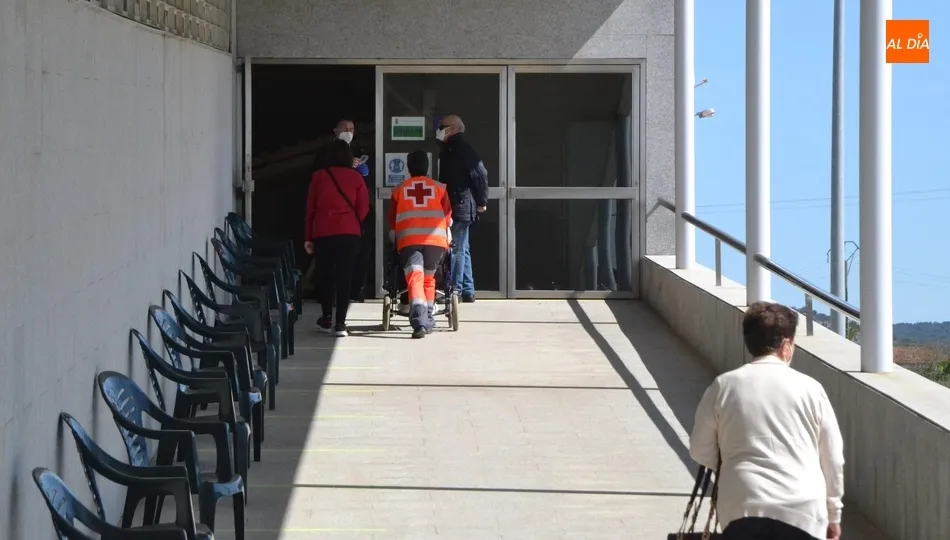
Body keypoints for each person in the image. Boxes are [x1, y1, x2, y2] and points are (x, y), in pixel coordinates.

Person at [689, 302, 845, 540]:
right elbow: (832, 458)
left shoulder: (723, 386)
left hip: (741, 504)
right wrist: (834, 514)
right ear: (786, 345)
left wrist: (731, 459)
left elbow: (699, 449)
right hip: (803, 508)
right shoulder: (811, 389)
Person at [304, 140, 369, 337]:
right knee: (344, 278)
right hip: (349, 233)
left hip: (323, 232)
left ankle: (326, 318)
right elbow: (363, 207)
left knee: (326, 277)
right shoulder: (356, 177)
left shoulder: (318, 177)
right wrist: (351, 220)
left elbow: (310, 209)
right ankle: (340, 323)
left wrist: (308, 237)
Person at [388, 151, 453, 339]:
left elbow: (392, 220)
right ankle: (428, 318)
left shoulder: (399, 190)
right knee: (428, 278)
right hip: (436, 242)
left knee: (415, 277)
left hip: (409, 241)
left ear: (408, 168)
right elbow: (448, 217)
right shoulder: (439, 188)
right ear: (427, 167)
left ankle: (419, 323)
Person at [311, 118, 373, 303]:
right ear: (335, 131)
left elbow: (364, 195)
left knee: (358, 257)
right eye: (345, 129)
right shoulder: (325, 153)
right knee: (328, 262)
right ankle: (327, 296)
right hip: (331, 216)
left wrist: (362, 172)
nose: (349, 132)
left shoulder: (359, 150)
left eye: (352, 129)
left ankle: (354, 291)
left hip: (352, 217)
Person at [435, 115, 487, 303]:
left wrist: (481, 201)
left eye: (443, 126)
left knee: (455, 249)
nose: (439, 129)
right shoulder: (450, 149)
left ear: (454, 129)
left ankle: (454, 291)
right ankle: (467, 290)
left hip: (460, 206)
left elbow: (480, 174)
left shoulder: (460, 149)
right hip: (459, 205)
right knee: (462, 248)